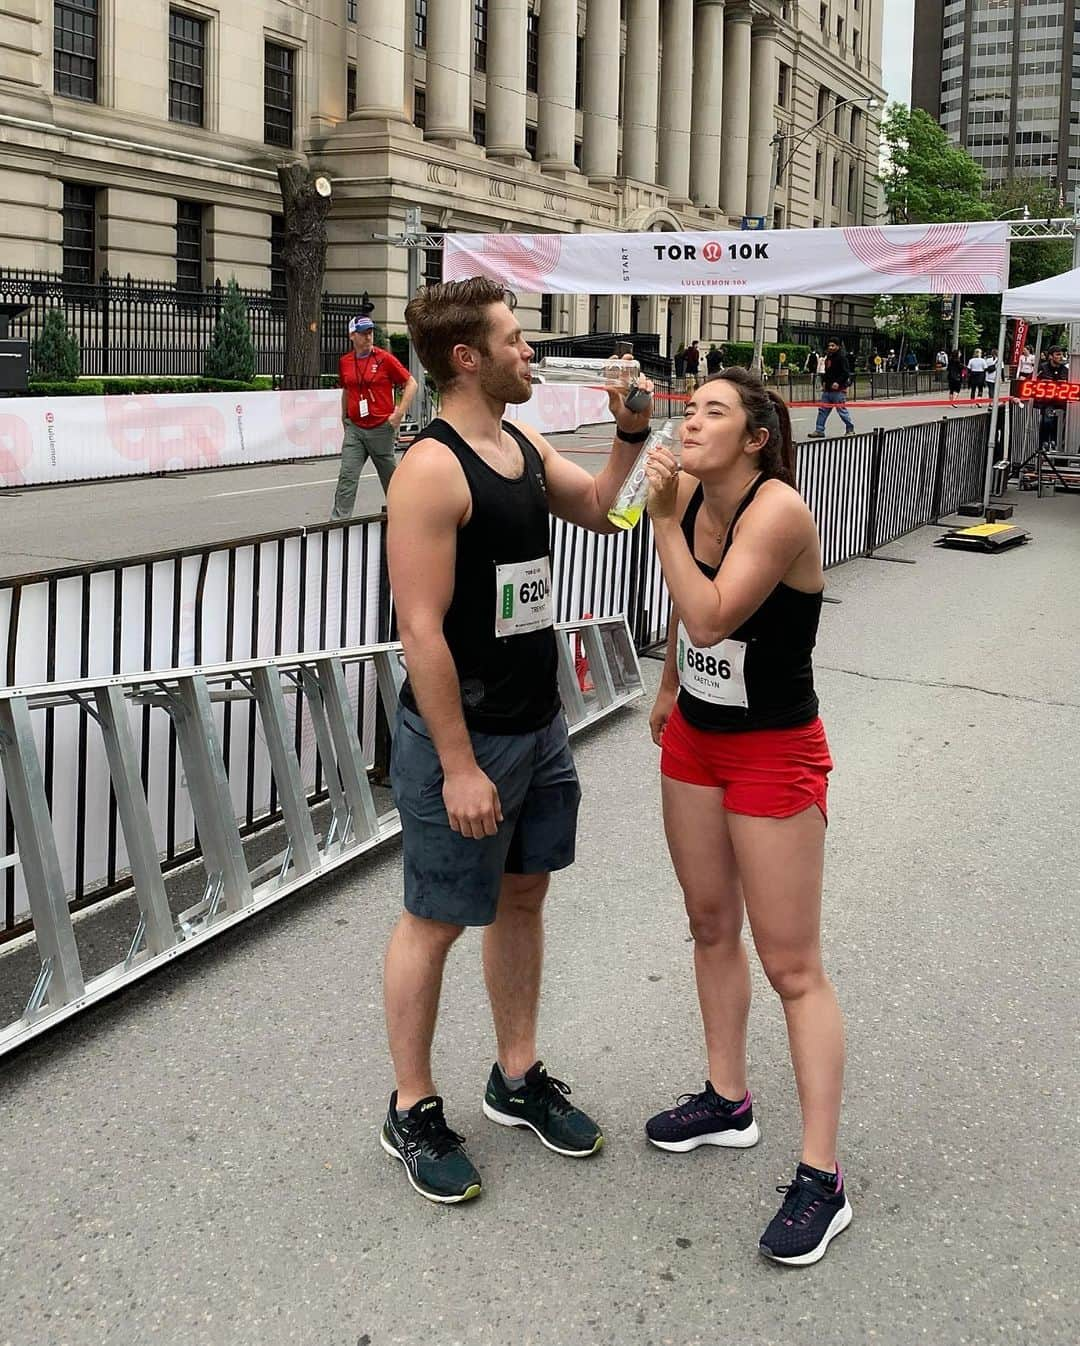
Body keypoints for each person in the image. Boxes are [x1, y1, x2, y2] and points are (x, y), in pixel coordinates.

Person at [381, 276, 655, 1204]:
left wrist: (629, 435)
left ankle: (516, 1075)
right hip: (468, 738)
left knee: (524, 897)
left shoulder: (524, 440)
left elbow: (608, 508)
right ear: (468, 357)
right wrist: (456, 765)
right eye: (514, 339)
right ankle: (411, 1108)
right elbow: (419, 628)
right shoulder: (432, 467)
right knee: (437, 916)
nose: (529, 352)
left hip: (538, 722)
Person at [641, 366, 850, 1267]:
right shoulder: (685, 487)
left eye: (711, 412)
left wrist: (657, 525)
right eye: (689, 409)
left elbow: (716, 615)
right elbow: (686, 630)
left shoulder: (779, 511)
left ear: (757, 436)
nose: (691, 423)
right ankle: (728, 1098)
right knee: (707, 923)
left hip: (773, 749)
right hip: (697, 738)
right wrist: (666, 682)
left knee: (792, 964)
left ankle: (821, 1177)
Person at [331, 316, 417, 519]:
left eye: (370, 331)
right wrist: (344, 417)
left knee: (390, 477)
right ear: (352, 335)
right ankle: (338, 522)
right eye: (363, 332)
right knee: (347, 476)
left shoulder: (384, 358)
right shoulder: (345, 362)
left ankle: (404, 516)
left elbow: (411, 383)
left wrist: (398, 414)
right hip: (355, 427)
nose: (369, 336)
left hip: (381, 427)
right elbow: (347, 389)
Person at [806, 339, 855, 438]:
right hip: (828, 389)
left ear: (837, 346)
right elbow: (827, 372)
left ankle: (850, 428)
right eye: (829, 345)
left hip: (838, 390)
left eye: (833, 345)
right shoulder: (829, 357)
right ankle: (819, 430)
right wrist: (824, 382)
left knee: (841, 410)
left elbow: (845, 373)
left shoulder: (842, 358)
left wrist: (838, 382)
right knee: (823, 410)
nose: (830, 347)